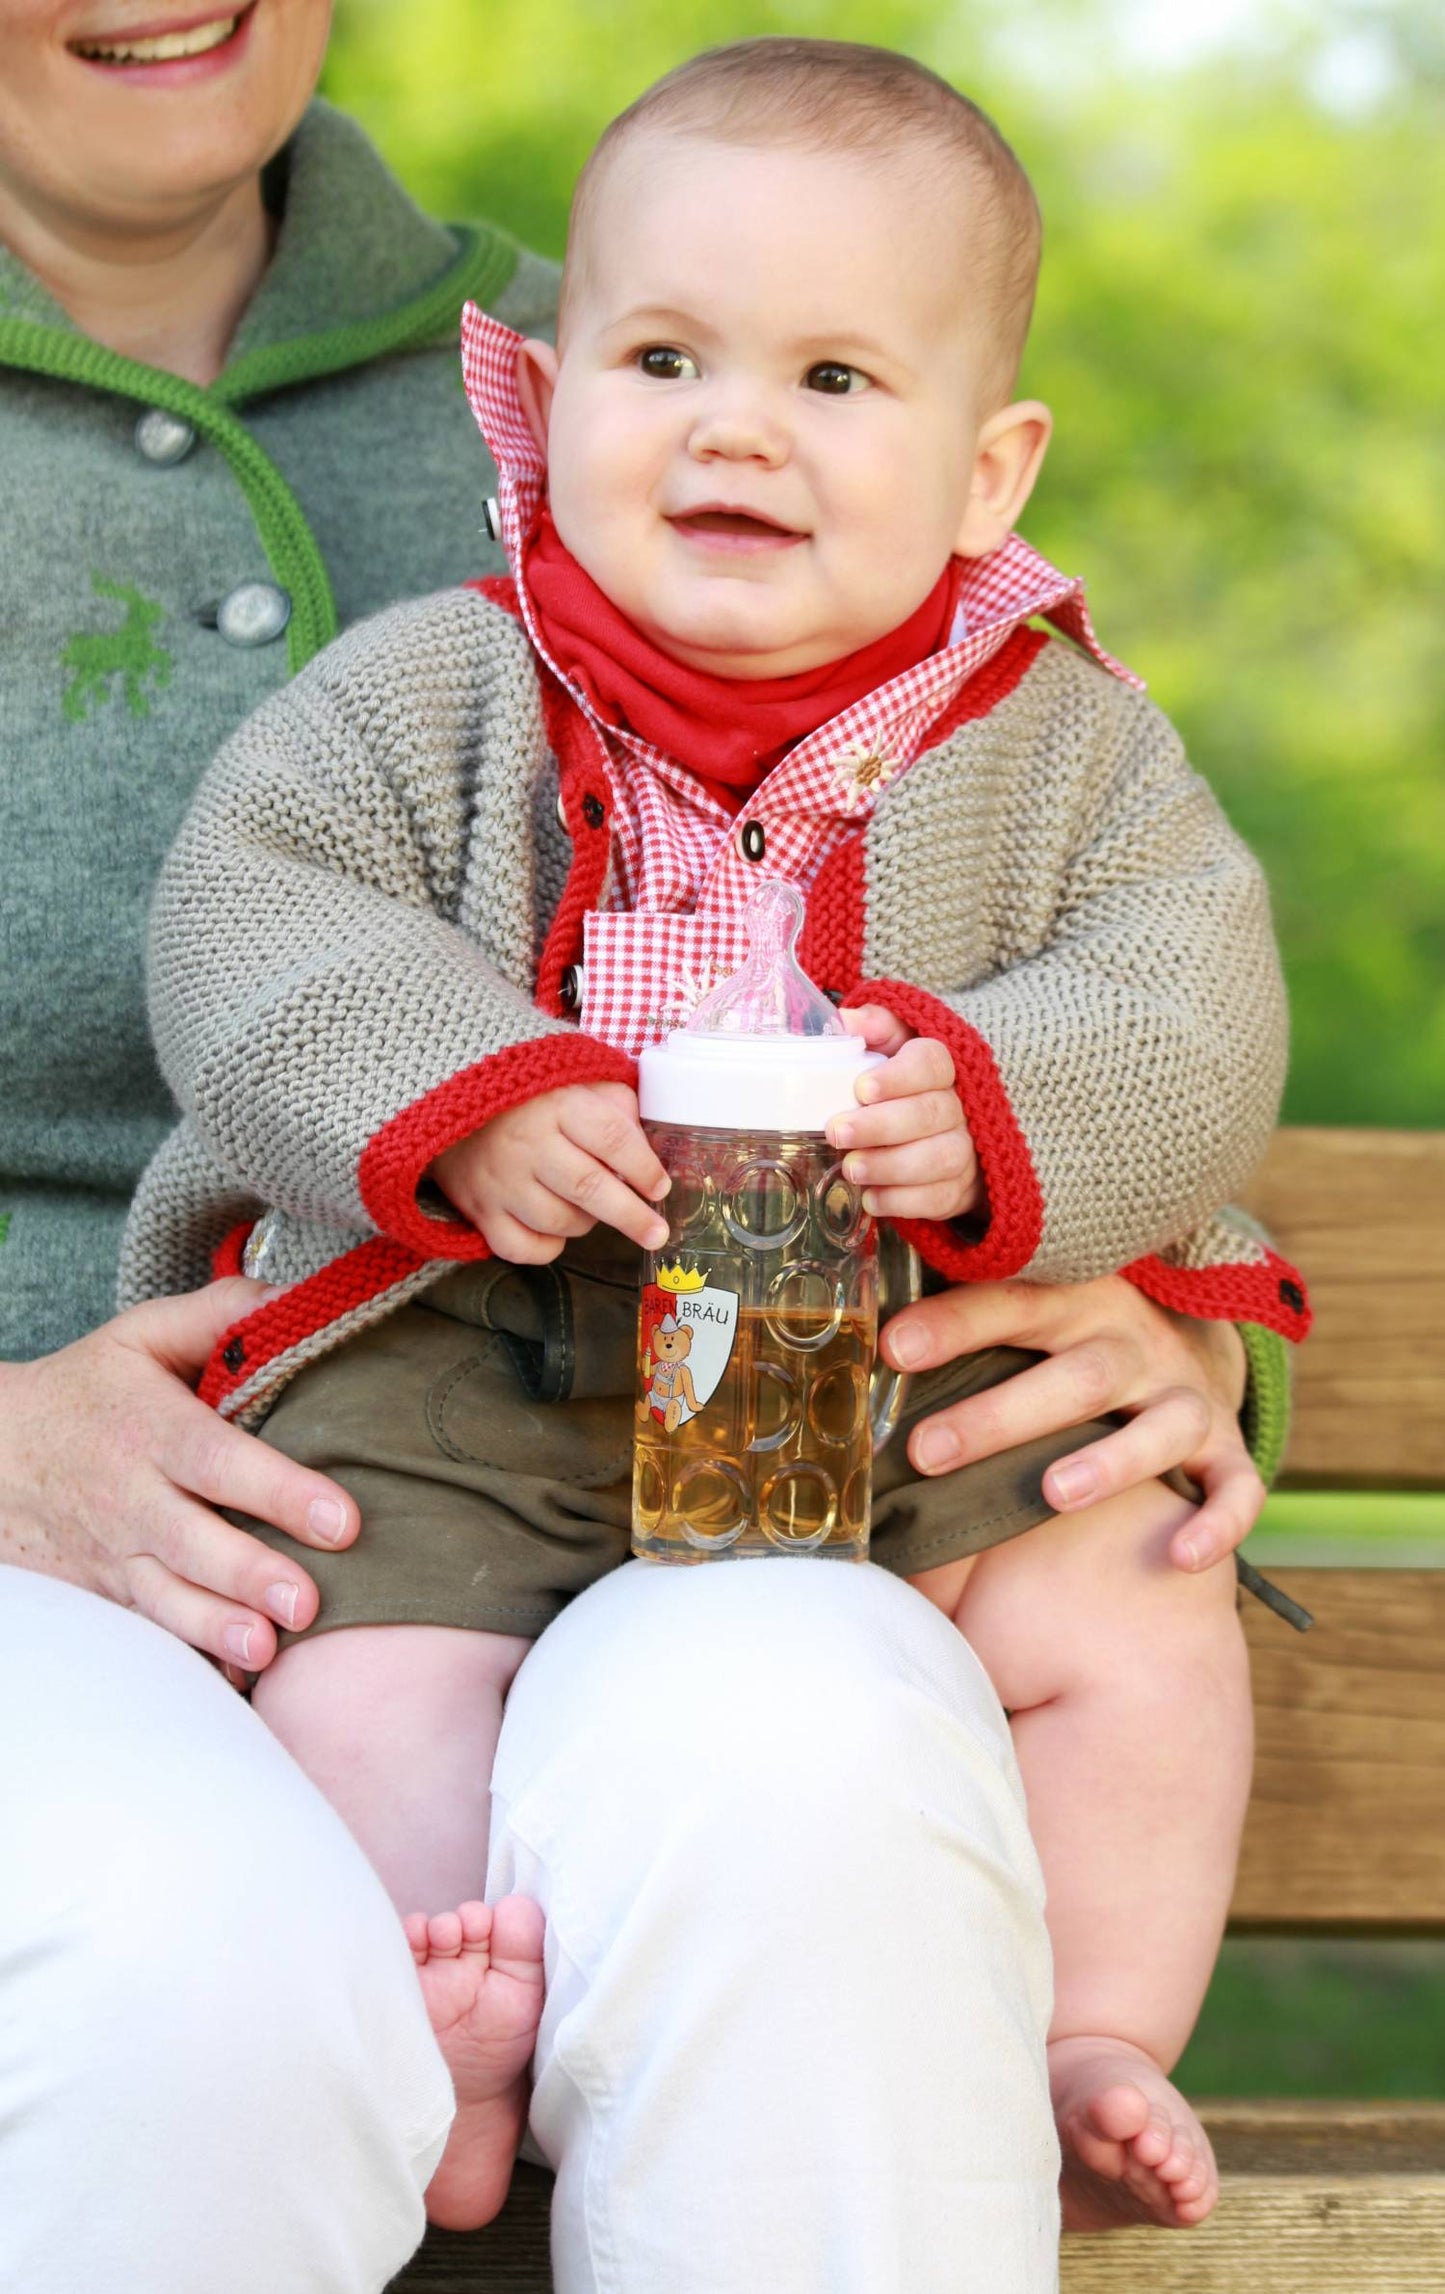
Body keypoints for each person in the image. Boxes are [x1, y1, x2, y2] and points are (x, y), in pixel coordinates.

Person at [0, 7, 1289, 2288]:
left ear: (988, 473)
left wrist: (1111, 1240)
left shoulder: (1035, 702)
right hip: (423, 1385)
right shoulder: (454, 669)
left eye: (827, 389)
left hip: (869, 1399)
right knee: (315, 1775)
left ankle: (1092, 2029)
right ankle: (442, 2016)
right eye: (670, 365)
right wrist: (459, 1089)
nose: (736, 431)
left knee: (971, 1703)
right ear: (553, 404)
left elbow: (1175, 973)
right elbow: (267, 908)